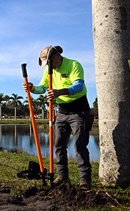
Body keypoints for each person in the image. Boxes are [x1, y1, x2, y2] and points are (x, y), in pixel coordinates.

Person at [23, 45, 92, 190]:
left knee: (80, 146)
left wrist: (59, 92)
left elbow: (79, 86)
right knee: (59, 145)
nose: (48, 66)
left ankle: (85, 181)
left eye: (48, 63)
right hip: (61, 112)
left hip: (79, 111)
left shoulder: (73, 65)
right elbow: (43, 87)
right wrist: (33, 88)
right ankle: (62, 176)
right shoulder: (49, 70)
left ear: (56, 56)